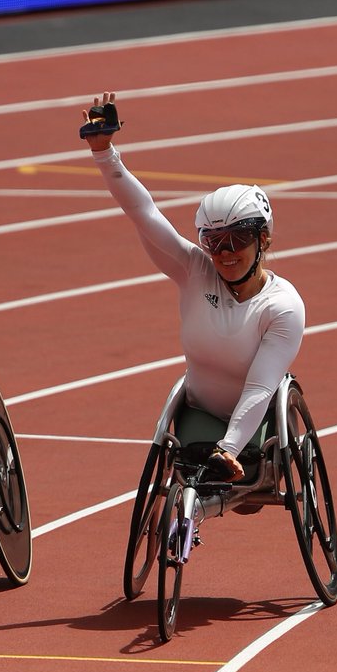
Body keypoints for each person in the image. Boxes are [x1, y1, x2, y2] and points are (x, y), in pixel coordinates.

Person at [80, 92, 304, 485]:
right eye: (214, 242)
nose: (225, 253)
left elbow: (260, 386)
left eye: (237, 239)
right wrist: (105, 154)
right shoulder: (193, 270)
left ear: (263, 240)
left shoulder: (283, 306)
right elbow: (144, 213)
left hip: (253, 426)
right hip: (197, 413)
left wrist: (230, 449)